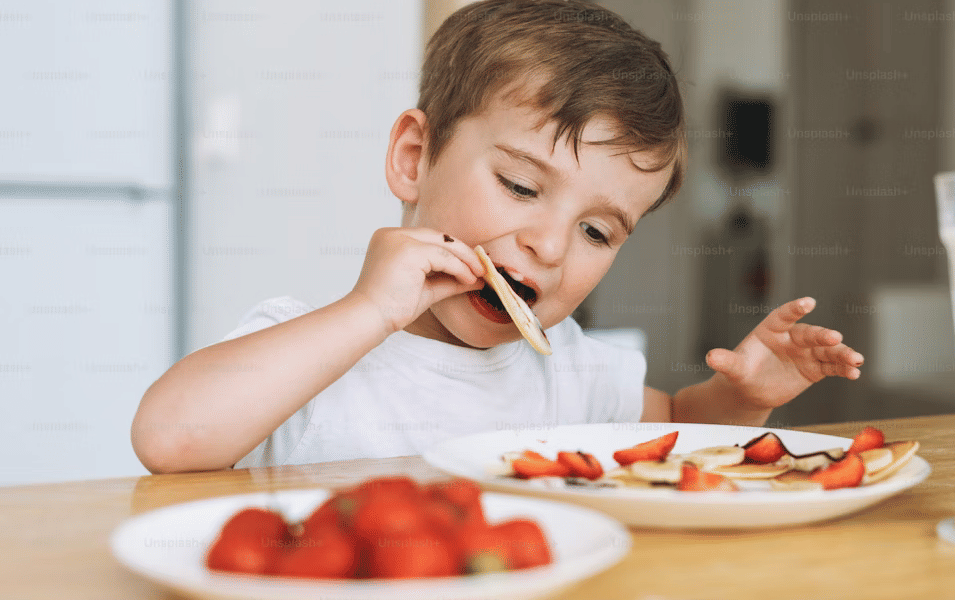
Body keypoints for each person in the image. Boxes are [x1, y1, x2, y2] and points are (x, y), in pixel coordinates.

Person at [131, 0, 863, 473]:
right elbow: (170, 438)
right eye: (519, 186)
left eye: (598, 231)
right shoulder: (312, 347)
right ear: (415, 159)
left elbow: (675, 428)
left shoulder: (570, 372)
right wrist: (367, 312)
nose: (549, 246)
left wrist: (742, 401)